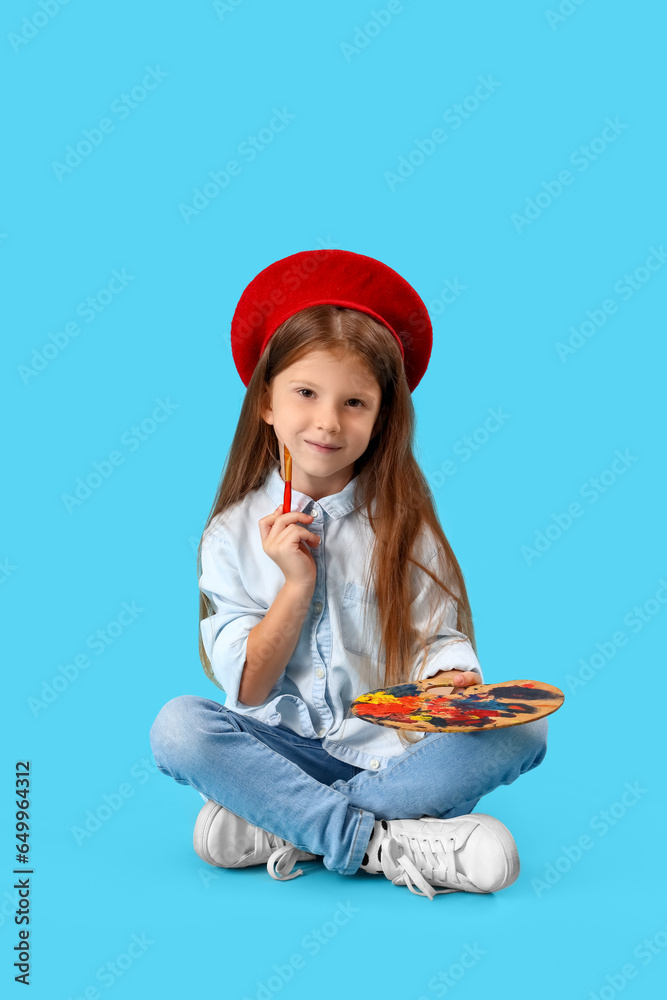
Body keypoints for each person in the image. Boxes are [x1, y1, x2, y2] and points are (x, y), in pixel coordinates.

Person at [149, 249, 549, 901]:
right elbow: (247, 689)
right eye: (305, 393)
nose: (328, 422)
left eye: (354, 402)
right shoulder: (228, 534)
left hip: (389, 756)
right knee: (178, 727)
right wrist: (295, 586)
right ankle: (383, 845)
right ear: (267, 405)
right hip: (277, 752)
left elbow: (436, 636)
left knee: (524, 725)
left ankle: (290, 826)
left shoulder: (405, 524)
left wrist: (451, 675)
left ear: (381, 417)